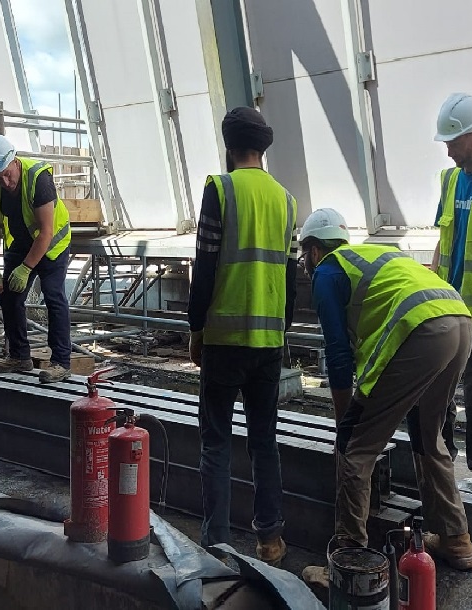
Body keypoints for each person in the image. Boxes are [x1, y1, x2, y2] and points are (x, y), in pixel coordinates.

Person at [299, 208, 472, 588]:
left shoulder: (329, 270)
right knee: (431, 436)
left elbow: (338, 352)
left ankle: (348, 562)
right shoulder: (371, 257)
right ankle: (456, 540)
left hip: (421, 328)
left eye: (304, 256)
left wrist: (345, 422)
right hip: (459, 319)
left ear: (315, 251)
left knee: (355, 446)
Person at [187, 106, 298, 566]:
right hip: (268, 344)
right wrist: (282, 330)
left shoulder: (221, 189)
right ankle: (270, 540)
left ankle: (216, 543)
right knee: (263, 441)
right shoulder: (286, 200)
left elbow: (206, 265)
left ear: (229, 147)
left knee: (216, 441)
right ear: (263, 147)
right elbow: (290, 278)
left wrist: (196, 328)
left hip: (224, 341)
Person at [0, 134, 72, 384]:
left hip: (51, 244)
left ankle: (61, 362)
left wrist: (26, 268)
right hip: (21, 243)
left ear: (15, 161)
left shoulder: (38, 178)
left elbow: (46, 231)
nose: (5, 181)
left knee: (53, 296)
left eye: (7, 174)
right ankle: (20, 356)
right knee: (9, 294)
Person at [431, 93, 472, 473]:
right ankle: (446, 458)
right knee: (440, 386)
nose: (448, 152)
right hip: (449, 308)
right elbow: (441, 242)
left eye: (454, 142)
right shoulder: (449, 181)